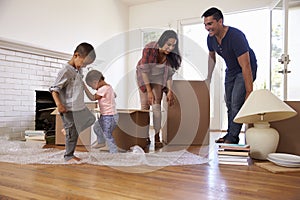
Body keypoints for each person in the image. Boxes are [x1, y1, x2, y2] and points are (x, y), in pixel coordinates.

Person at [201, 7, 257, 144]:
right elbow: (212, 58)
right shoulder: (211, 39)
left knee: (237, 103)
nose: (207, 28)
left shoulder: (236, 36)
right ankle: (230, 134)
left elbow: (246, 65)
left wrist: (249, 91)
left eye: (210, 24)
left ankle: (232, 137)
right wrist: (208, 77)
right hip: (231, 70)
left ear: (220, 21)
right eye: (205, 24)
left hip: (245, 69)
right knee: (229, 103)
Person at [50, 42, 96, 162]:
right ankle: (68, 156)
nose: (84, 67)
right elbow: (54, 89)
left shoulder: (78, 70)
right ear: (76, 55)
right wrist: (59, 105)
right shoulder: (65, 71)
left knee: (91, 118)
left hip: (79, 106)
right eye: (84, 63)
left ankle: (69, 131)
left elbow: (82, 84)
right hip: (68, 108)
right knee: (72, 133)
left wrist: (91, 96)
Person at [136, 30, 182, 149]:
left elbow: (169, 76)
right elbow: (144, 71)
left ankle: (157, 137)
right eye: (168, 44)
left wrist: (170, 91)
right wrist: (149, 91)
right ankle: (144, 137)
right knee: (145, 106)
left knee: (156, 105)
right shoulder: (149, 48)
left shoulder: (171, 56)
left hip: (158, 78)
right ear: (162, 41)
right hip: (144, 75)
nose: (171, 48)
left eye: (173, 45)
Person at [84, 70, 119, 153]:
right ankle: (101, 142)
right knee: (97, 127)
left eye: (92, 86)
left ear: (95, 81)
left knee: (107, 134)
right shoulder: (109, 87)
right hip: (108, 116)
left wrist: (85, 88)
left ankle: (114, 151)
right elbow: (115, 95)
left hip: (109, 116)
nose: (93, 89)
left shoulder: (103, 89)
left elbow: (92, 98)